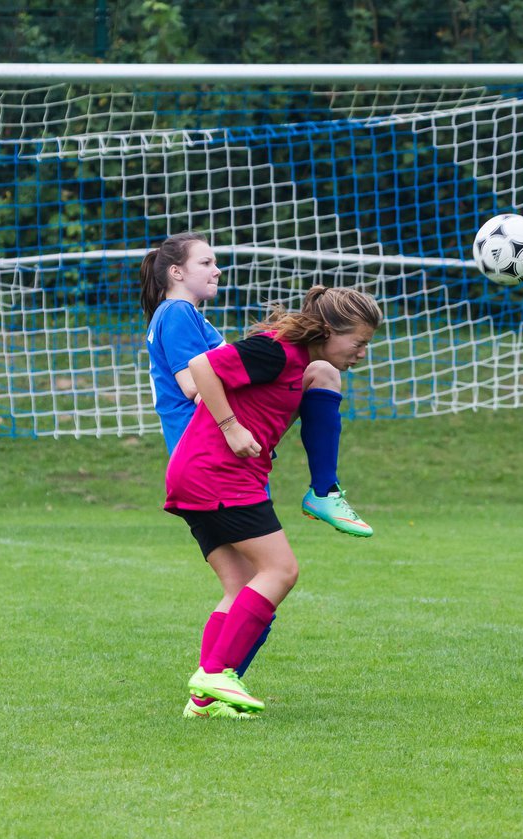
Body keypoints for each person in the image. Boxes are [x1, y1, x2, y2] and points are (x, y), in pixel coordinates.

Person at [140, 234, 371, 718]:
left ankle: (206, 699)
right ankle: (215, 674)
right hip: (215, 466)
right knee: (281, 571)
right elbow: (199, 376)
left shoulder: (287, 358)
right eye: (206, 261)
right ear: (176, 272)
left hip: (199, 470)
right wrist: (234, 424)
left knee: (242, 584)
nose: (216, 269)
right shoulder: (187, 317)